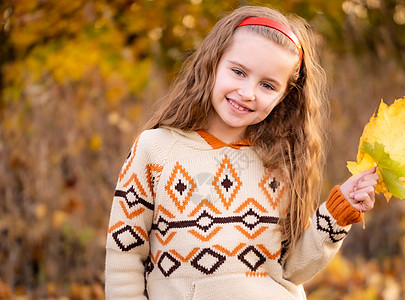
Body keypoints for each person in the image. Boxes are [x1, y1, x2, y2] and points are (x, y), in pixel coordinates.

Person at [105, 5, 378, 300]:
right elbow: (125, 257)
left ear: (284, 96)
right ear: (213, 63)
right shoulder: (156, 150)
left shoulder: (279, 161)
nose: (248, 93)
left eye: (267, 85)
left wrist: (336, 215)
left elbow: (290, 269)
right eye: (238, 72)